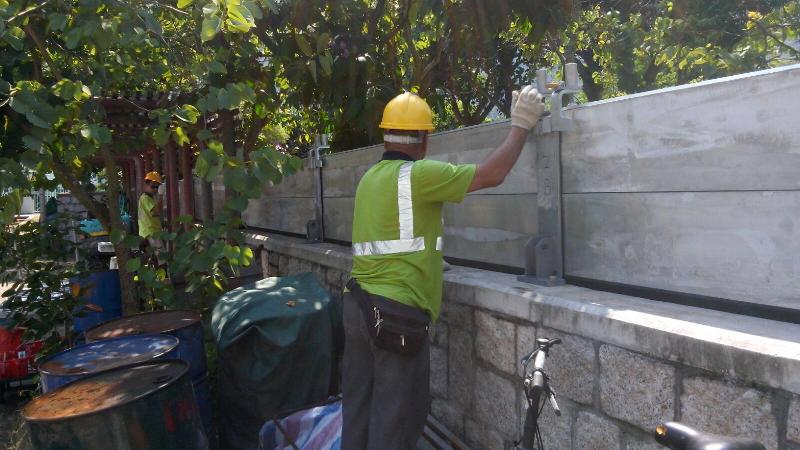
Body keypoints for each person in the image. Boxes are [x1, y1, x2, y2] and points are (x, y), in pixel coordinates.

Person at [343, 87, 545, 449]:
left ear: (386, 134)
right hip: (395, 316)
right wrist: (521, 125)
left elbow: (391, 235)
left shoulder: (369, 179)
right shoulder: (418, 175)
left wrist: (428, 261)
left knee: (358, 412)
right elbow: (492, 174)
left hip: (356, 307)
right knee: (395, 422)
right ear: (423, 139)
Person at [138, 171, 164, 253]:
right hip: (151, 232)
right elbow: (156, 212)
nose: (155, 189)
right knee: (162, 256)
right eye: (153, 186)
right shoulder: (145, 198)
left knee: (154, 256)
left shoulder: (149, 198)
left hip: (148, 232)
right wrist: (161, 196)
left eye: (157, 187)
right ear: (146, 185)